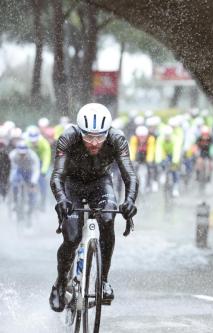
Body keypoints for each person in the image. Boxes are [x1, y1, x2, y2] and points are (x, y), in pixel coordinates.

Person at [49, 103, 138, 312]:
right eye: (88, 137)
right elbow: (57, 177)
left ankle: (104, 281)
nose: (95, 143)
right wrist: (61, 199)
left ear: (108, 132)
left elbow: (130, 176)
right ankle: (61, 283)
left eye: (100, 137)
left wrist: (130, 201)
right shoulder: (68, 138)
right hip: (73, 184)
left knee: (108, 220)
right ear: (80, 132)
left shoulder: (117, 139)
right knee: (71, 238)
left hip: (101, 183)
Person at [9, 140, 40, 210]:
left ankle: (31, 205)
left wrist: (33, 181)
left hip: (29, 171)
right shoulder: (12, 155)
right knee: (14, 184)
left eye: (24, 154)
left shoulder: (33, 155)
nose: (22, 155)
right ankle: (15, 201)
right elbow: (11, 168)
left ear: (27, 151)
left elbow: (36, 169)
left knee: (31, 188)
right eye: (20, 154)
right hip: (18, 170)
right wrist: (12, 179)